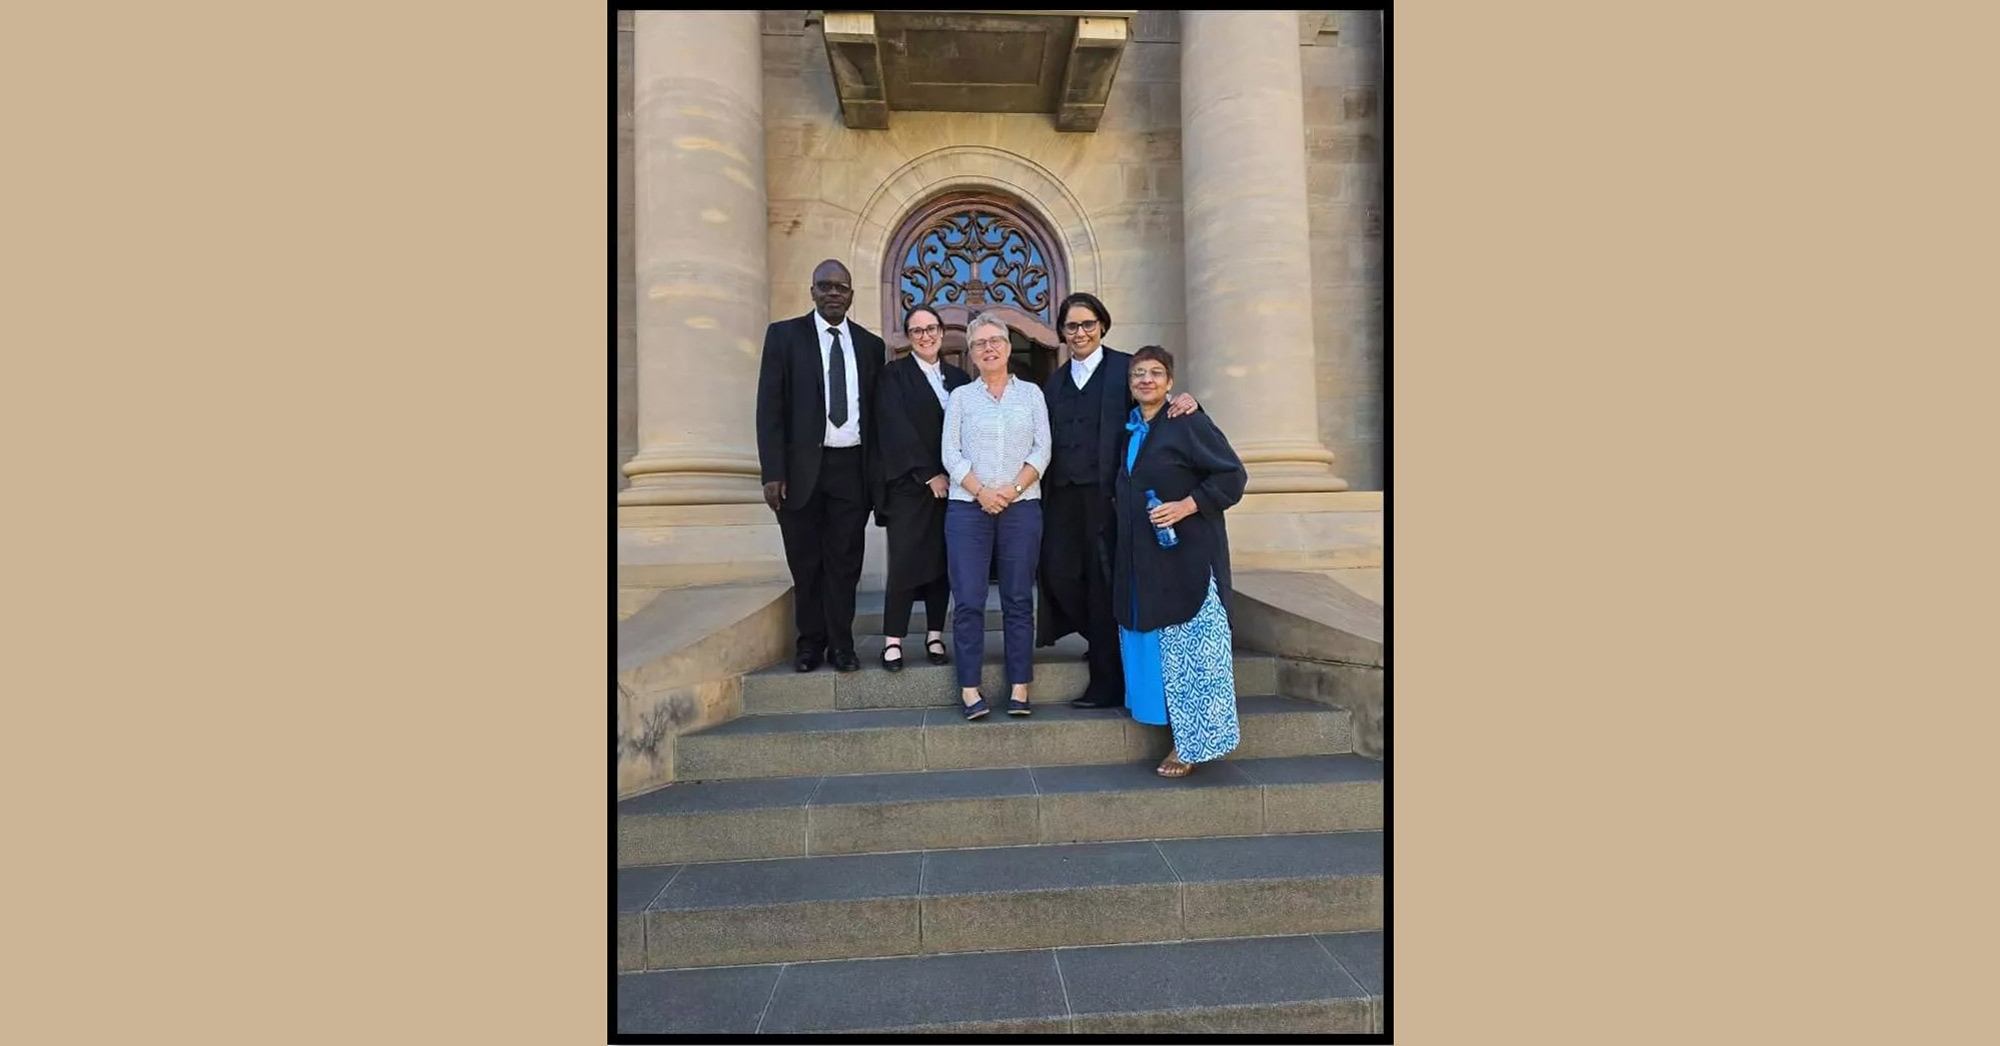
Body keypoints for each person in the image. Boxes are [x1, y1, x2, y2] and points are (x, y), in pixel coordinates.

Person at [1038, 292, 1198, 709]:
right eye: (1072, 326)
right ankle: (1100, 637)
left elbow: (1156, 408)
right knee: (1059, 574)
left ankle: (1106, 683)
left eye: (1088, 324)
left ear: (1102, 326)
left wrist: (1188, 402)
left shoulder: (1126, 370)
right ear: (1061, 333)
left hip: (1112, 500)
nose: (1080, 333)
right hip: (1063, 500)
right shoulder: (1053, 384)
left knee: (1104, 583)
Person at [1111, 346, 1248, 777]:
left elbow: (1232, 475)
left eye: (1156, 373)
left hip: (1189, 560)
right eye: (1138, 373)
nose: (1146, 379)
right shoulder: (1134, 430)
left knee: (1194, 654)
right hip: (1147, 563)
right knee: (1166, 652)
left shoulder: (1187, 421)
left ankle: (1193, 747)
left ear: (1171, 384)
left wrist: (1188, 505)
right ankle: (1179, 735)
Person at [755, 259, 885, 674]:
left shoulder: (869, 346)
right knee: (806, 561)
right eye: (825, 286)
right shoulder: (784, 337)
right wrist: (772, 472)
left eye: (841, 287)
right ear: (811, 291)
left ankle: (842, 644)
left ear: (851, 295)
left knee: (845, 564)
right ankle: (810, 643)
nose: (833, 293)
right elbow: (769, 409)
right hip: (799, 472)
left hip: (852, 469)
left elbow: (877, 417)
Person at [941, 311, 1051, 720]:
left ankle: (1020, 686)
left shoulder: (1032, 395)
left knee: (1019, 599)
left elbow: (1043, 450)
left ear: (1008, 346)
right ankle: (970, 688)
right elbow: (950, 454)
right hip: (968, 510)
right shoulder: (961, 398)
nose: (989, 348)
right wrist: (983, 492)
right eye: (980, 343)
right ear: (971, 353)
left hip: (1021, 508)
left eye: (996, 341)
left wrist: (1012, 489)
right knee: (968, 600)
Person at [870, 305, 971, 671]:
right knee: (905, 561)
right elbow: (895, 428)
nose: (926, 336)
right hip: (910, 487)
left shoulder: (960, 379)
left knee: (942, 563)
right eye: (917, 331)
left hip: (954, 488)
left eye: (931, 329)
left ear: (942, 333)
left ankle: (934, 635)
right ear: (908, 338)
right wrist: (929, 475)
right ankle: (893, 640)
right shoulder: (893, 376)